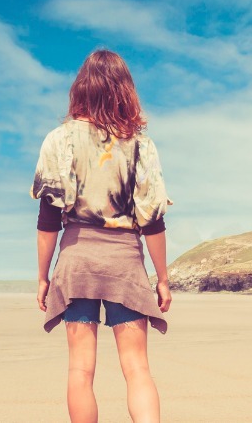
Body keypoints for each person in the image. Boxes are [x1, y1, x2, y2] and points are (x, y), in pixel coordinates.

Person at [31, 49, 173, 423]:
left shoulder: (58, 141)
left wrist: (43, 276)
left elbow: (48, 219)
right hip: (124, 263)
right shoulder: (141, 145)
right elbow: (152, 220)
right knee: (137, 368)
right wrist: (162, 279)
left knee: (80, 370)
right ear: (125, 90)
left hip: (76, 262)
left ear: (82, 89)